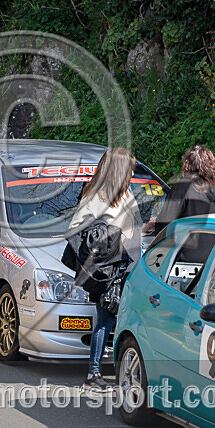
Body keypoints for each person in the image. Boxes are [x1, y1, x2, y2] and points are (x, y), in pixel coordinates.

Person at [67, 147, 142, 392]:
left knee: (118, 319)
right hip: (108, 269)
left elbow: (132, 228)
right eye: (129, 171)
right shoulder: (96, 197)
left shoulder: (125, 193)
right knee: (105, 319)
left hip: (127, 265)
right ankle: (93, 374)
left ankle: (113, 371)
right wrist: (107, 239)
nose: (132, 175)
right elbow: (76, 230)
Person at [145, 144, 215, 237]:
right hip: (214, 248)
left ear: (187, 165)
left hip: (186, 246)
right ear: (211, 165)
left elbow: (164, 224)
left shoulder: (182, 187)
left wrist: (154, 224)